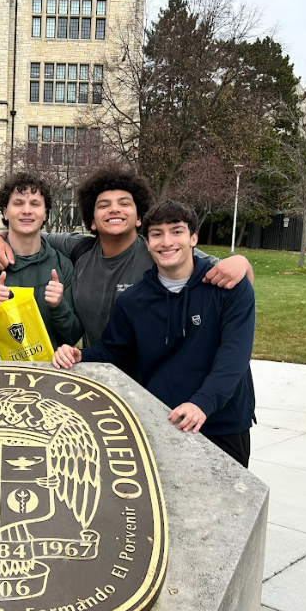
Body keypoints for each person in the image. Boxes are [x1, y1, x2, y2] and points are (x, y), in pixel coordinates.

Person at [53, 199, 256, 468]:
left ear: (193, 237)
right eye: (157, 234)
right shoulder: (134, 300)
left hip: (223, 421)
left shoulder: (228, 287)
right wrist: (80, 354)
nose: (166, 241)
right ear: (146, 243)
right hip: (164, 420)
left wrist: (203, 403)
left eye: (177, 231)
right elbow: (114, 351)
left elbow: (235, 354)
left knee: (231, 507)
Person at [0, 166, 253, 349]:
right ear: (91, 221)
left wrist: (242, 263)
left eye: (124, 203)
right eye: (104, 205)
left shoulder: (158, 251)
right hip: (97, 373)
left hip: (150, 378)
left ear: (139, 218)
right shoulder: (78, 250)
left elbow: (233, 278)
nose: (114, 209)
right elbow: (30, 234)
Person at [0, 171, 82, 349]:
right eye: (18, 203)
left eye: (35, 203)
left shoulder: (63, 266)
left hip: (49, 373)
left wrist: (58, 306)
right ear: (5, 212)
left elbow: (73, 337)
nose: (27, 210)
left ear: (45, 214)